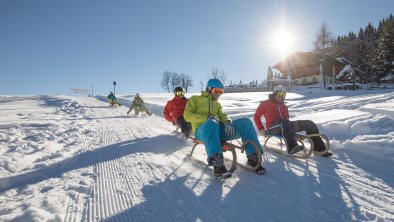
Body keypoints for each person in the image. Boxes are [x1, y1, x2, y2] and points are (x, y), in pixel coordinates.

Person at [184, 78, 266, 178]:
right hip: (202, 131)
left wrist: (228, 122)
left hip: (217, 130)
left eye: (221, 91)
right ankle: (218, 164)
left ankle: (253, 158)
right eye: (216, 91)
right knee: (211, 123)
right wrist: (206, 118)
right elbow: (187, 115)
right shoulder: (195, 99)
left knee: (245, 122)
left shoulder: (217, 104)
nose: (219, 94)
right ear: (208, 89)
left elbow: (222, 115)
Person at [253, 85, 333, 157]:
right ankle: (292, 147)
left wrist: (292, 132)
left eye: (284, 95)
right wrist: (261, 129)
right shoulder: (266, 104)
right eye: (280, 94)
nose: (282, 97)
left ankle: (319, 148)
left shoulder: (284, 107)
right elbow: (256, 116)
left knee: (309, 124)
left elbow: (286, 120)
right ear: (275, 94)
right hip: (273, 128)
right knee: (284, 122)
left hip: (284, 125)